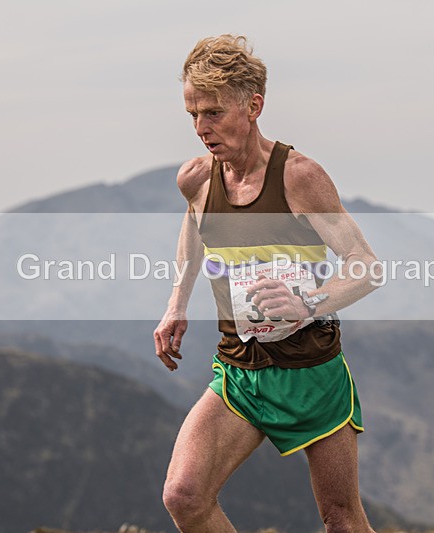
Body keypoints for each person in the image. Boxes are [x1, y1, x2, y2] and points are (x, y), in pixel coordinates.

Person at [153, 34, 380, 533]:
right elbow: (194, 227)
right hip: (239, 370)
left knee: (340, 519)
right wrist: (176, 303)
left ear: (253, 106)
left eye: (212, 113)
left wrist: (308, 301)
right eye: (192, 114)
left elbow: (366, 265)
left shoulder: (299, 177)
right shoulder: (196, 179)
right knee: (185, 497)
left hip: (310, 372)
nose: (200, 128)